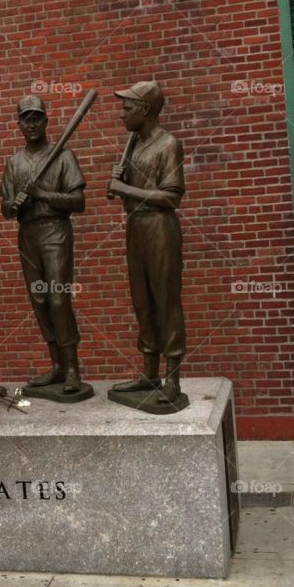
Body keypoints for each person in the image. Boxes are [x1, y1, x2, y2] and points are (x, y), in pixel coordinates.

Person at [106, 81, 187, 407]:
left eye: (127, 108)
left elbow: (171, 197)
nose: (121, 114)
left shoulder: (169, 144)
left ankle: (173, 379)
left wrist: (125, 190)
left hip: (160, 229)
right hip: (136, 228)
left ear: (145, 109)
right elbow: (131, 193)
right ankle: (149, 373)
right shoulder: (135, 146)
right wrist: (121, 181)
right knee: (142, 301)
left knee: (165, 300)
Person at [0, 95, 86, 396]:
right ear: (19, 123)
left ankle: (73, 367)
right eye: (26, 118)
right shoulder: (14, 163)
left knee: (58, 298)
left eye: (37, 117)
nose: (32, 123)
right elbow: (5, 207)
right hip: (28, 234)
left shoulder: (63, 157)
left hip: (55, 231)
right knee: (39, 300)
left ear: (46, 121)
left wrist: (43, 193)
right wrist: (14, 205)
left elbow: (78, 202)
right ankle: (57, 365)